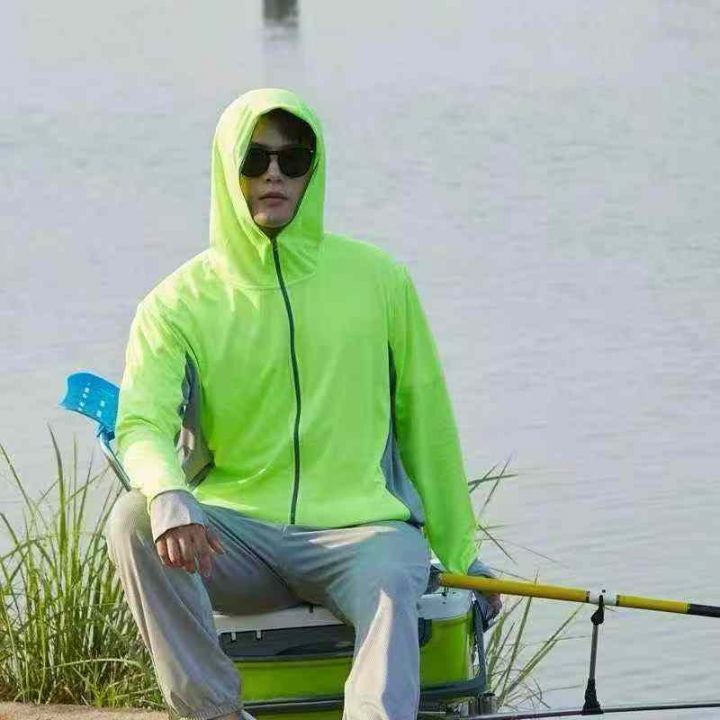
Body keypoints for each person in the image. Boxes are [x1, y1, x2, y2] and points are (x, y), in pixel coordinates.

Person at [104, 88, 501, 720]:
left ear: (313, 170)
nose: (274, 175)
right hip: (236, 538)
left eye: (293, 159)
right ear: (228, 168)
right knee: (133, 519)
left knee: (392, 577)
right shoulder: (175, 303)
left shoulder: (380, 281)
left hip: (363, 535)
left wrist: (460, 553)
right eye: (255, 158)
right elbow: (141, 423)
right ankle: (215, 712)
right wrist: (168, 494)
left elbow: (426, 423)